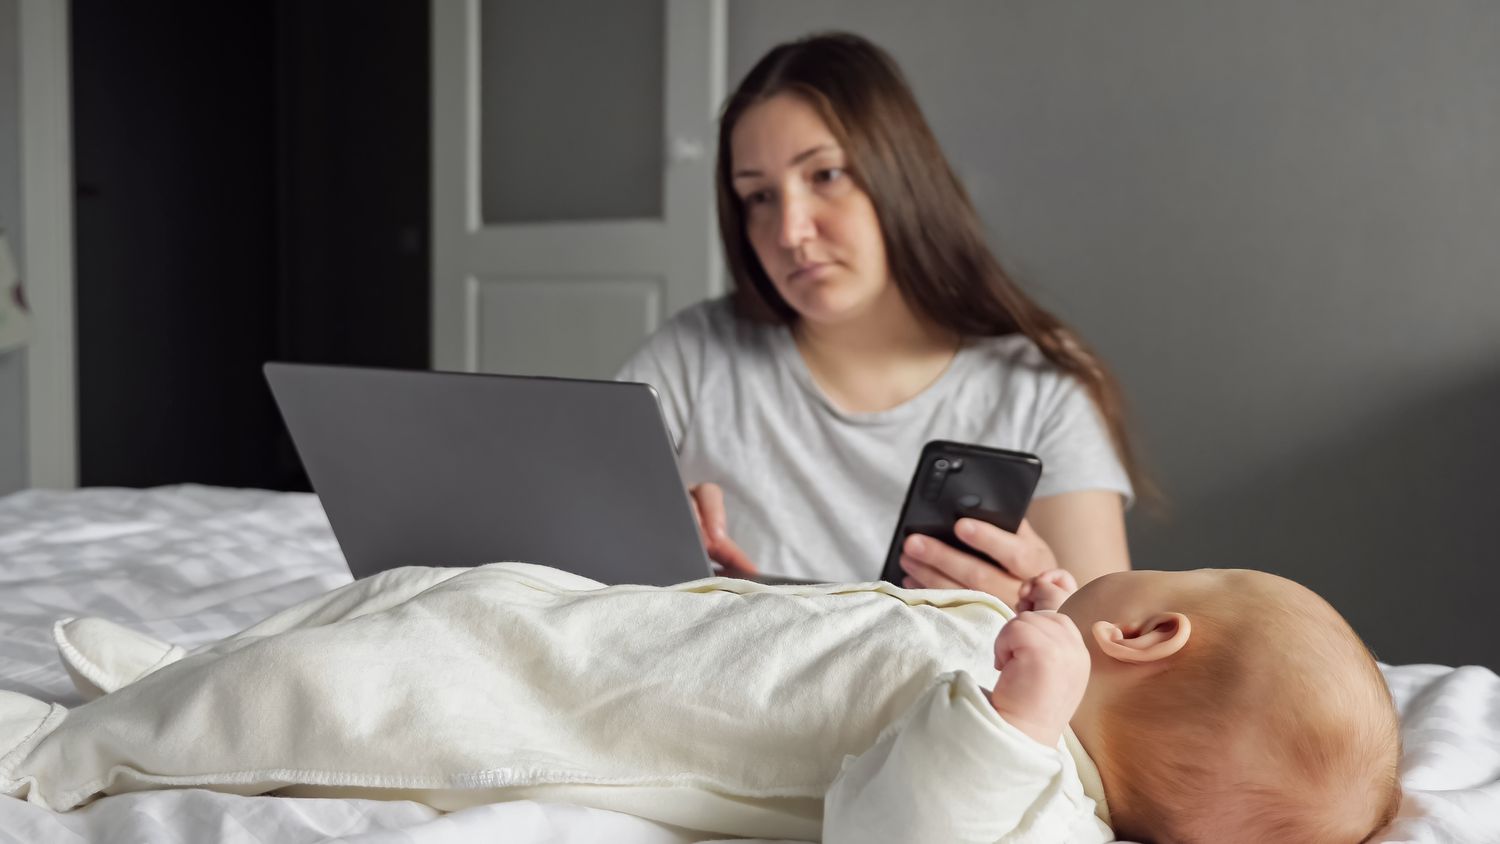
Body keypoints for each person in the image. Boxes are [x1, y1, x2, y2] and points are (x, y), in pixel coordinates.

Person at [1, 563, 1399, 842]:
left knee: (327, 697)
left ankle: (67, 757)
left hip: (542, 707)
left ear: (1152, 632)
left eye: (1168, 567)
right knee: (399, 599)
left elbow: (909, 834)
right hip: (600, 628)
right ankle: (156, 675)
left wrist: (1011, 721)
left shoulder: (1037, 789)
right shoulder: (1029, 647)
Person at [617, 32, 1144, 603]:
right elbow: (564, 542)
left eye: (825, 175)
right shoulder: (693, 353)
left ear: (900, 175)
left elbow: (1104, 653)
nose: (790, 231)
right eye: (759, 197)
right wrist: (641, 538)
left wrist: (1041, 607)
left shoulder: (1040, 390)